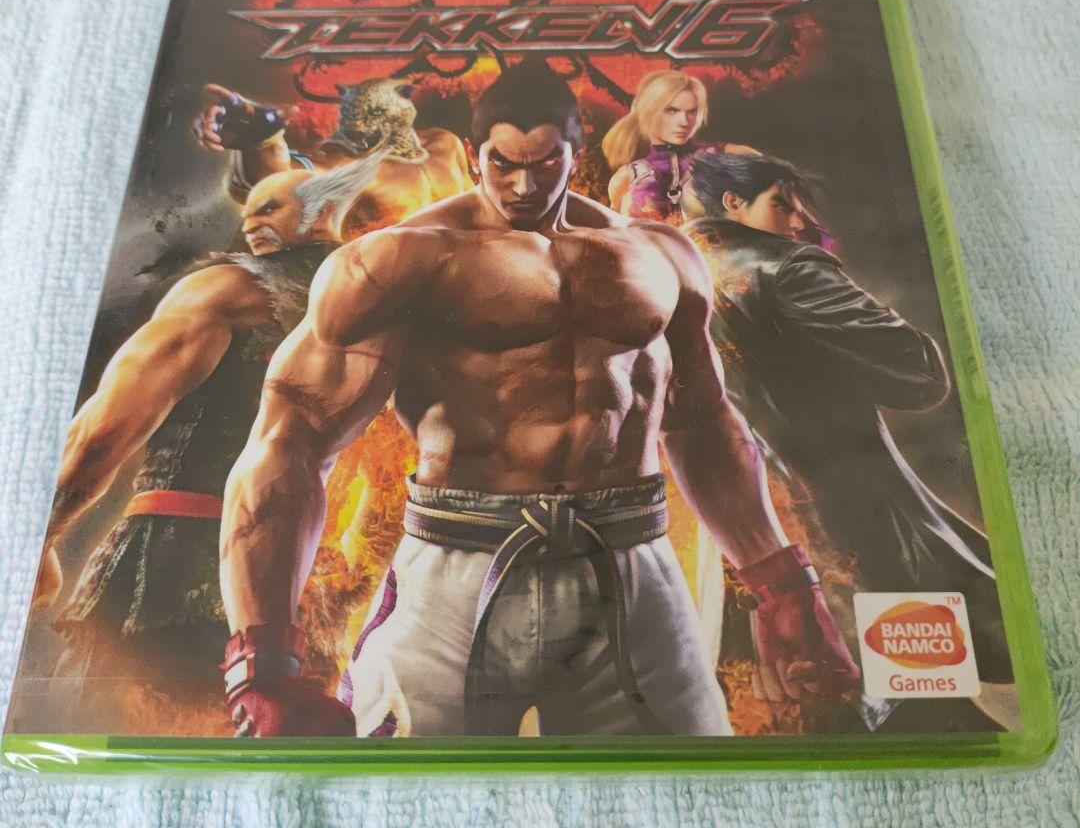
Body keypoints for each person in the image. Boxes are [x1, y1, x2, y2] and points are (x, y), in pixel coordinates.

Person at [217, 60, 858, 740]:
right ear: (474, 154)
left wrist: (782, 587)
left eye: (545, 164)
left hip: (628, 559)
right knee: (408, 786)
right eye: (503, 164)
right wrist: (260, 663)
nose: (523, 186)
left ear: (576, 155)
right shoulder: (397, 260)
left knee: (676, 783)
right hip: (456, 567)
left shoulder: (660, 255)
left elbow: (701, 422)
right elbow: (289, 439)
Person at [30, 154, 385, 731]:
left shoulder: (227, 289)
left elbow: (105, 428)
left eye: (269, 207)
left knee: (117, 754)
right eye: (248, 211)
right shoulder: (387, 306)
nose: (251, 222)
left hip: (168, 581)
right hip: (306, 597)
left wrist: (42, 535)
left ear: (324, 209)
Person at [684, 150, 1013, 720]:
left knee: (800, 705)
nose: (799, 221)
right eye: (782, 204)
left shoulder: (674, 265)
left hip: (738, 531)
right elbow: (920, 373)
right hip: (848, 515)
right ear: (734, 203)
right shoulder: (787, 268)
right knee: (917, 705)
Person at [193, 78, 472, 235]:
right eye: (357, 114)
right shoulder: (347, 166)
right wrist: (260, 138)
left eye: (374, 112)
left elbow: (478, 202)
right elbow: (274, 179)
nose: (362, 125)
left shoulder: (444, 143)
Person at [602, 70, 754, 223]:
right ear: (649, 112)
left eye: (693, 112)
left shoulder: (725, 156)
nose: (684, 122)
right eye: (671, 110)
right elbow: (613, 233)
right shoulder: (624, 179)